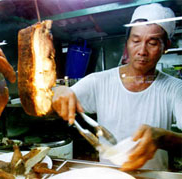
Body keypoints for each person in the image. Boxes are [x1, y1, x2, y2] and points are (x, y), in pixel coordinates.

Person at [52, 3, 182, 171]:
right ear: (127, 43)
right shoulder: (99, 82)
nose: (142, 50)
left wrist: (163, 138)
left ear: (166, 46)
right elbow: (52, 106)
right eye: (136, 40)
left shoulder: (175, 89)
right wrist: (57, 90)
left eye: (152, 43)